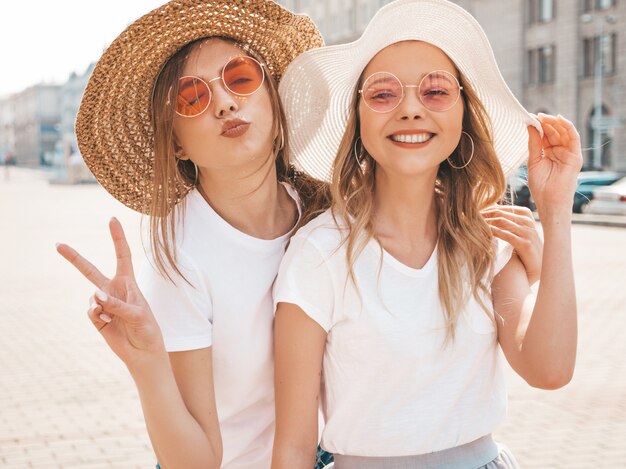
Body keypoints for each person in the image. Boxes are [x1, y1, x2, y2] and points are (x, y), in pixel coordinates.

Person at [272, 0, 581, 468]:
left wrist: (556, 213)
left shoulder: (486, 243)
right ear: (357, 120)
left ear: (463, 114)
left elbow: (550, 370)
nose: (411, 110)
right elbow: (294, 447)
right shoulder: (319, 253)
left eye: (435, 91)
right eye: (382, 94)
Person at [56, 1, 329, 468]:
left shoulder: (323, 212)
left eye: (240, 77)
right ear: (177, 142)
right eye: (191, 97)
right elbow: (197, 461)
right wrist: (148, 364)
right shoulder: (181, 255)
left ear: (274, 99)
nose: (224, 102)